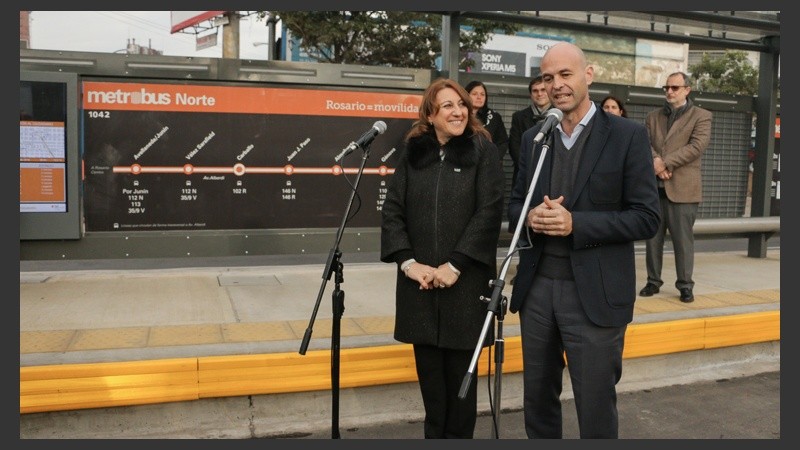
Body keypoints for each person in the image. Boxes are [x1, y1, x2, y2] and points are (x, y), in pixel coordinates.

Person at [507, 42, 660, 439]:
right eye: (547, 77)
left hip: (595, 293)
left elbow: (647, 218)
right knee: (537, 403)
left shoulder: (627, 135)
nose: (556, 85)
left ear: (588, 75)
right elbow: (515, 206)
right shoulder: (534, 138)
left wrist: (578, 224)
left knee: (594, 408)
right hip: (537, 291)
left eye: (565, 74)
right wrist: (530, 218)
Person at [380, 78, 505, 439]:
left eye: (462, 104)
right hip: (419, 288)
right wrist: (408, 263)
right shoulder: (413, 152)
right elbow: (392, 210)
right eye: (447, 105)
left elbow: (489, 213)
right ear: (430, 115)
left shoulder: (484, 150)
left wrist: (454, 265)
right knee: (433, 399)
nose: (458, 111)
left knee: (461, 401)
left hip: (464, 288)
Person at [639, 72, 712, 303]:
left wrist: (665, 162)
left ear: (687, 90)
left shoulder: (701, 116)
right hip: (654, 187)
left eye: (675, 88)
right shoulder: (653, 117)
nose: (669, 91)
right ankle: (653, 281)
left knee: (683, 241)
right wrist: (657, 165)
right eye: (666, 87)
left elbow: (696, 147)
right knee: (653, 239)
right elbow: (645, 144)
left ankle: (685, 285)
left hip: (684, 189)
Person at [509, 75, 551, 186]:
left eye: (543, 90)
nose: (539, 94)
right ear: (530, 95)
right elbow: (514, 147)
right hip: (524, 174)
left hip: (551, 174)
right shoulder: (518, 117)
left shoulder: (560, 115)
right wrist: (529, 168)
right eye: (535, 91)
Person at [464, 80, 509, 162]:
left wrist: (493, 159)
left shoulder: (494, 117)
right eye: (474, 94)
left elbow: (502, 142)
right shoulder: (459, 115)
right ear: (466, 95)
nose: (479, 97)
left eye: (482, 94)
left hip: (488, 162)